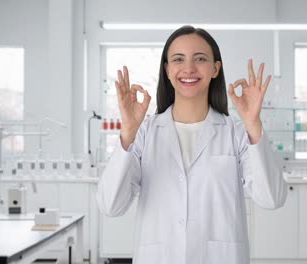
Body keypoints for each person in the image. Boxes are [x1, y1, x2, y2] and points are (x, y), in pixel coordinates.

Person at [97, 25, 287, 264]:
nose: (189, 68)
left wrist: (253, 125)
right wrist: (127, 133)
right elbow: (110, 205)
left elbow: (272, 198)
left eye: (200, 59)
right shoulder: (145, 133)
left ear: (215, 68)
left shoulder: (235, 134)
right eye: (178, 59)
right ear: (167, 70)